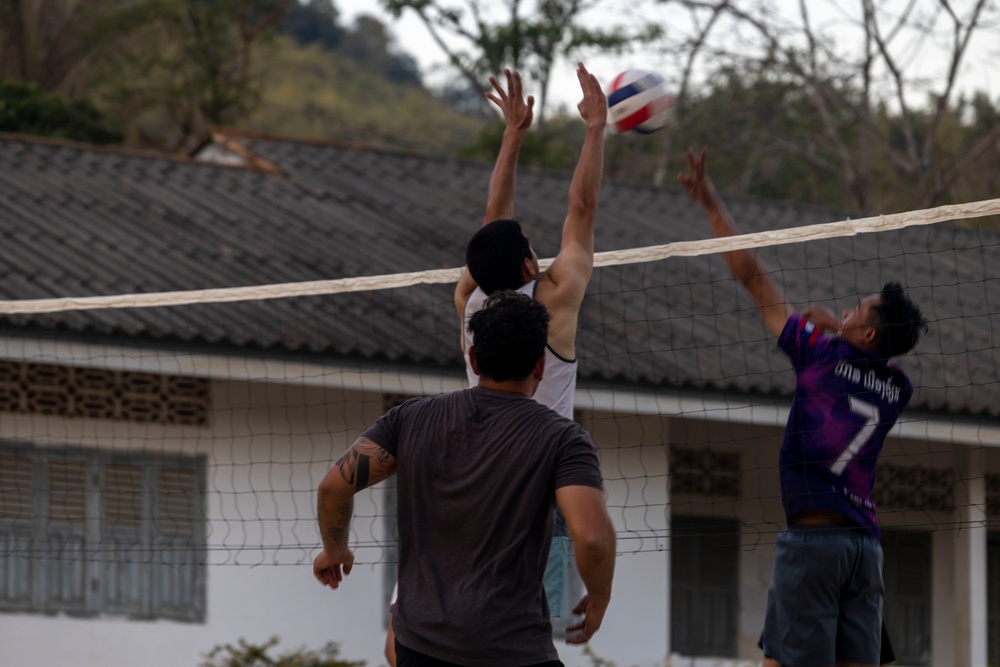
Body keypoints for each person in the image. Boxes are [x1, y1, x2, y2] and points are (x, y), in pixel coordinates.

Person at [680, 148, 926, 667]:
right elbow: (871, 360)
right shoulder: (896, 389)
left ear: (865, 331)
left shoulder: (820, 354)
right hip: (864, 551)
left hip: (813, 544)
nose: (846, 308)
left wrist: (711, 202)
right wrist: (841, 328)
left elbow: (753, 278)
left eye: (855, 309)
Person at [315, 290, 616, 666]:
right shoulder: (562, 439)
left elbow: (333, 487)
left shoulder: (411, 418)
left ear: (474, 360)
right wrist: (599, 601)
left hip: (419, 645)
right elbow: (592, 536)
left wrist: (335, 549)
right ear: (540, 366)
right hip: (510, 649)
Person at [455, 63, 606, 622]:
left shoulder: (469, 302)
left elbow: (493, 224)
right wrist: (594, 130)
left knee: (436, 627)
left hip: (473, 482)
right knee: (524, 634)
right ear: (527, 263)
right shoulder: (554, 304)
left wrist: (512, 135)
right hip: (538, 492)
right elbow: (582, 212)